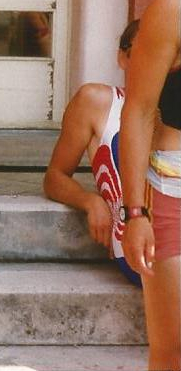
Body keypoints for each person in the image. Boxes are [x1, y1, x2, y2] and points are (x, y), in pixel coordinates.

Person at [44, 20, 141, 286]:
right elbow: (55, 176)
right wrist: (90, 201)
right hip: (140, 243)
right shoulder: (97, 101)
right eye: (145, 49)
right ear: (123, 56)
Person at [119, 0, 180, 370]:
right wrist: (135, 213)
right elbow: (138, 112)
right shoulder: (172, 9)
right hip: (175, 188)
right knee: (173, 347)